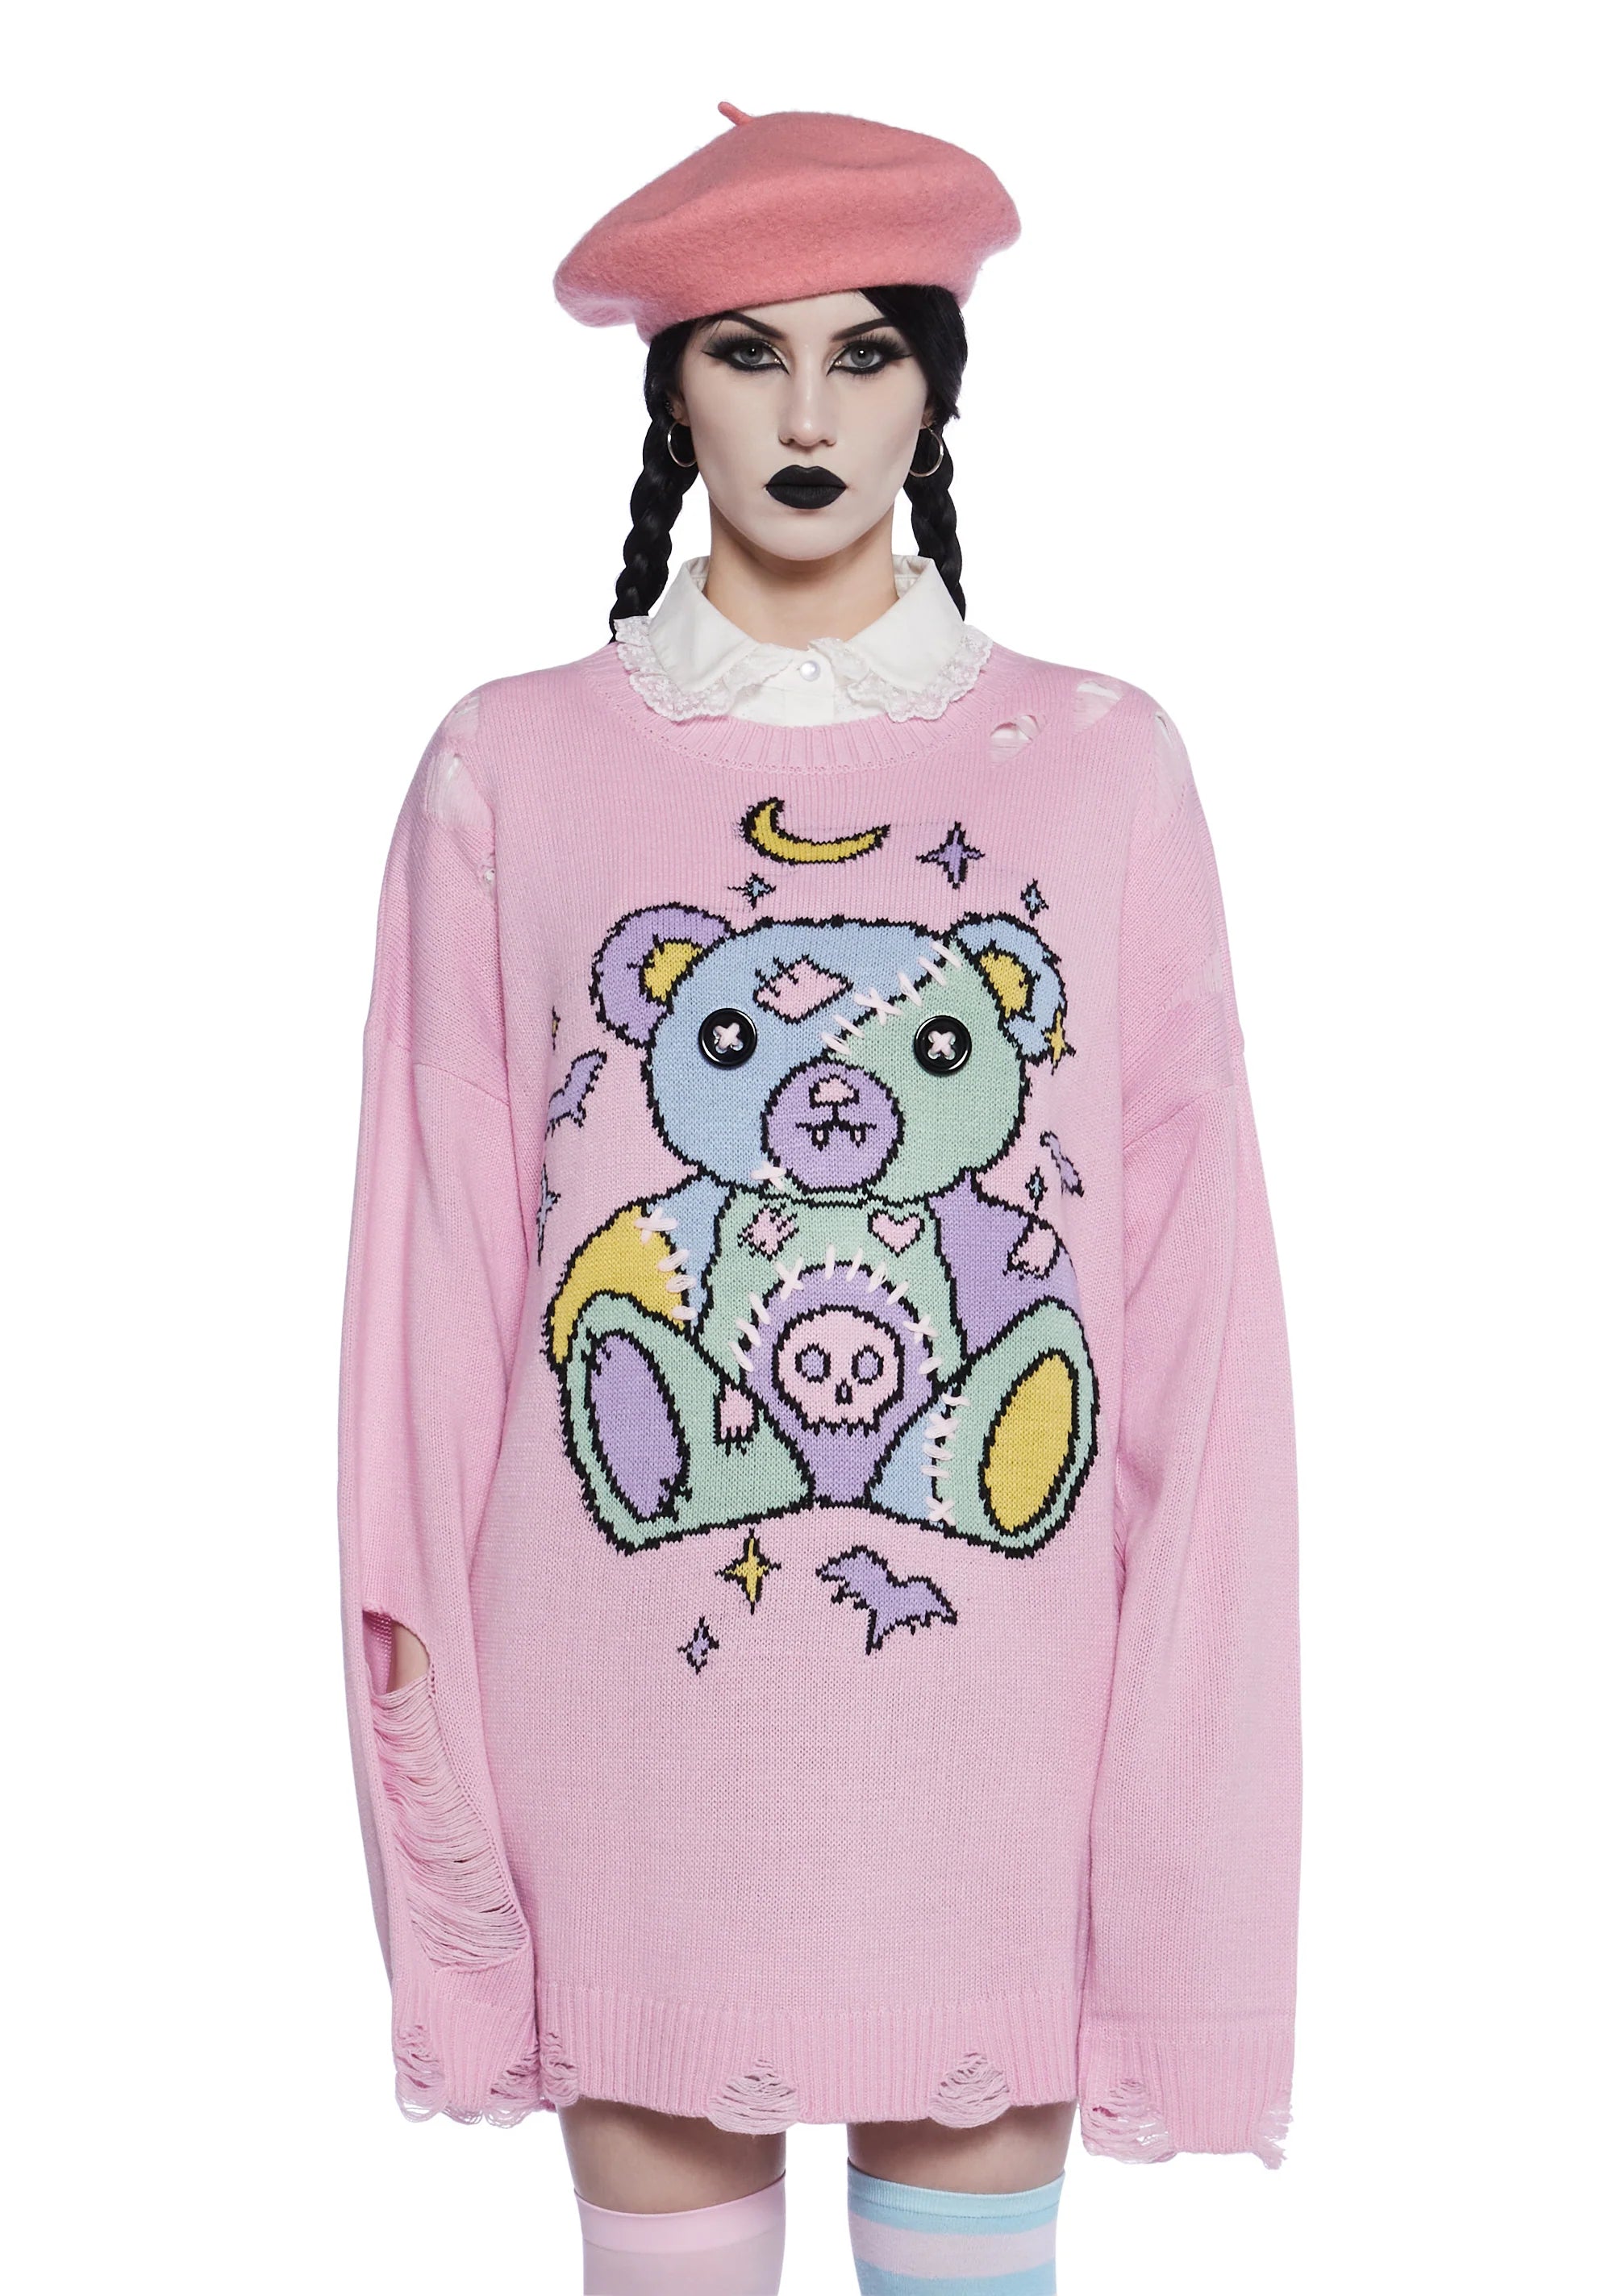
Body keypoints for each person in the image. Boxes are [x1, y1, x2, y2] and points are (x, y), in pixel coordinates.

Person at [337, 102, 1302, 2296]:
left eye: (864, 355)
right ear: (670, 395)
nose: (804, 416)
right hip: (626, 1757)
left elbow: (1194, 1332)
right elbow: (434, 1315)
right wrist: (442, 1818)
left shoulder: (1100, 765)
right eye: (746, 354)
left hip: (994, 1760)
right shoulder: (514, 767)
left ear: (934, 393)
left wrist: (1179, 1839)